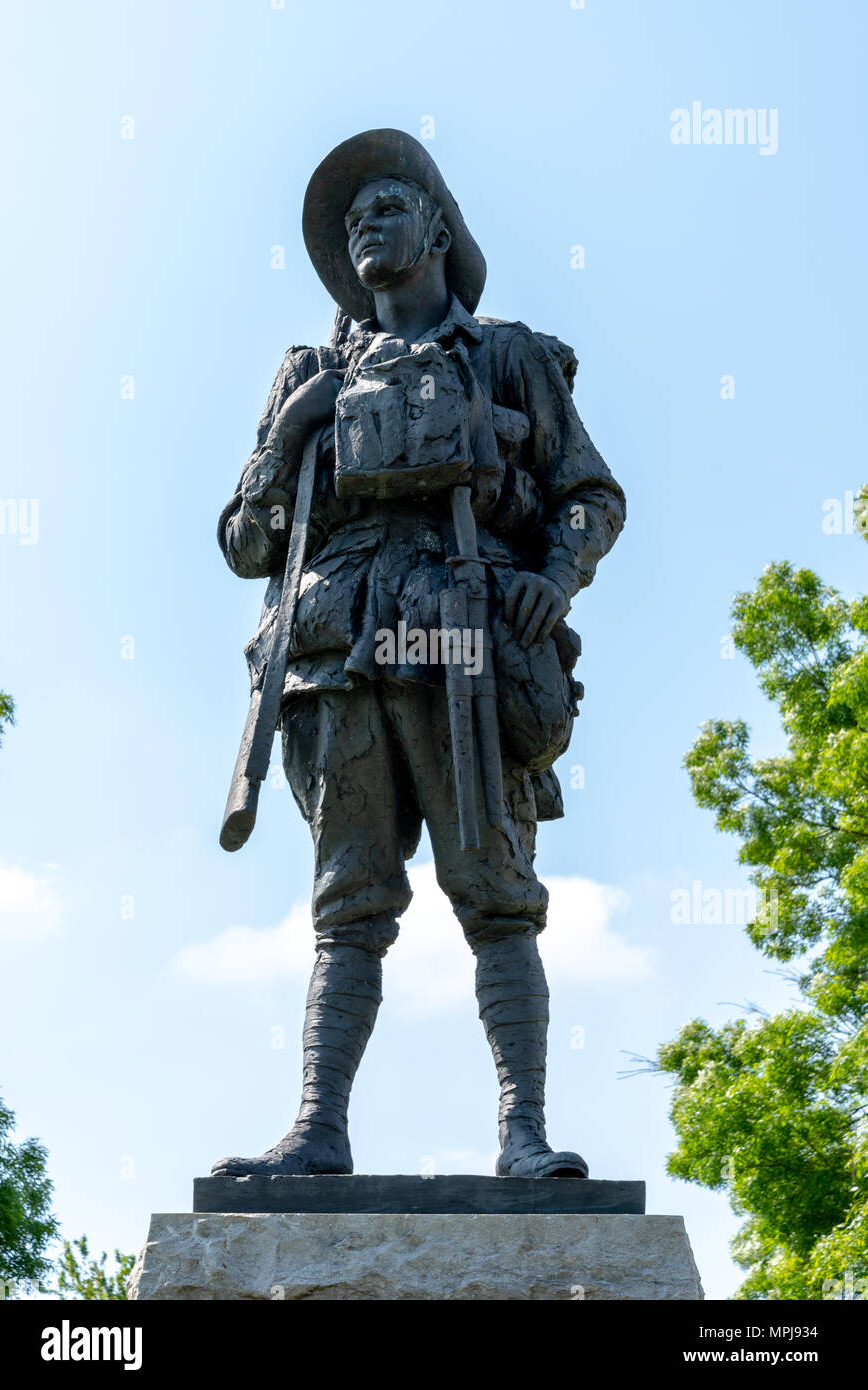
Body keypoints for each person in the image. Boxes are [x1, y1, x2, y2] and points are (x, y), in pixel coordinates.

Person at [213, 130, 625, 1180]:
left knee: (494, 889)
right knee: (347, 902)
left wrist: (554, 577)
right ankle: (318, 1124)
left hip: (462, 646)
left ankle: (522, 1134)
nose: (363, 229)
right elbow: (244, 544)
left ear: (438, 228)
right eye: (350, 222)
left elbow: (590, 495)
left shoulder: (509, 357)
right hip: (333, 656)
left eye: (385, 210)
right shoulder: (306, 374)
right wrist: (292, 429)